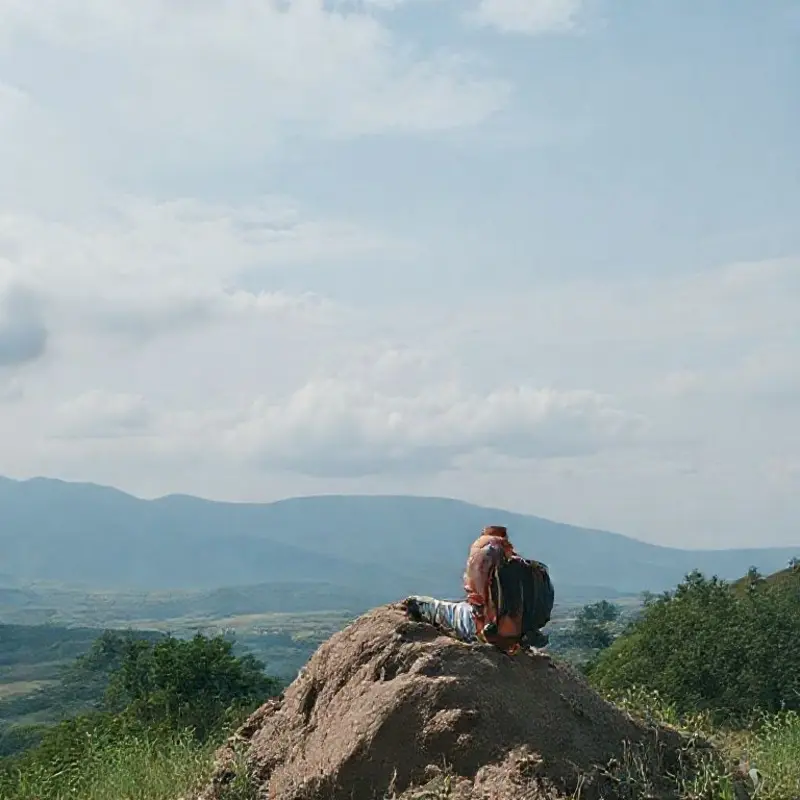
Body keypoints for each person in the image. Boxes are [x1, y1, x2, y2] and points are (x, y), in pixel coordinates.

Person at [403, 525, 551, 655]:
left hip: (490, 631)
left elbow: (474, 599)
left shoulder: (484, 560)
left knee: (425, 606)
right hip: (519, 634)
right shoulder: (527, 570)